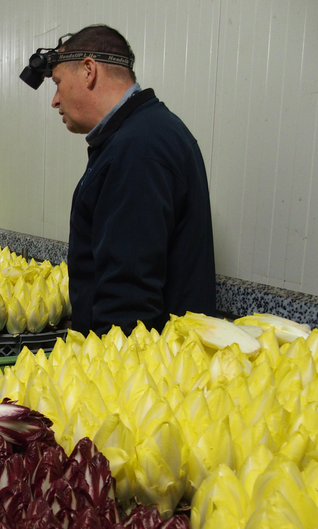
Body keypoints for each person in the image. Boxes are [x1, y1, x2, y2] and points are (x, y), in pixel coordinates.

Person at [43, 24, 216, 335]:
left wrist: (109, 374)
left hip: (138, 368)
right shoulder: (140, 135)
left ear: (88, 71)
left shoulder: (138, 149)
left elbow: (129, 296)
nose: (55, 100)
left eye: (58, 83)